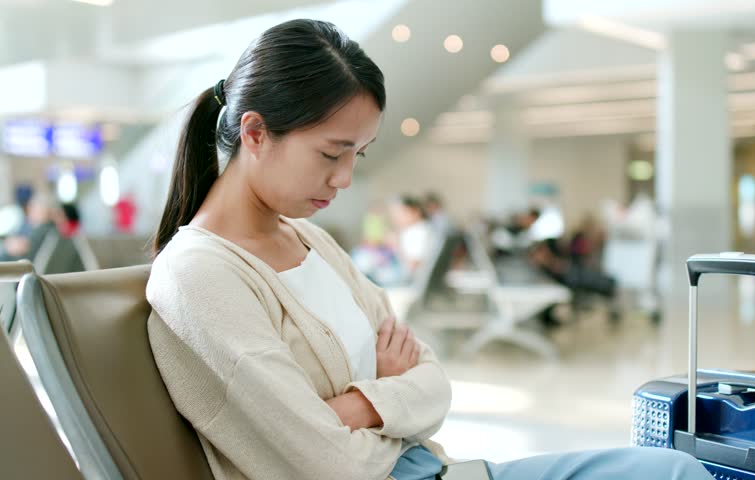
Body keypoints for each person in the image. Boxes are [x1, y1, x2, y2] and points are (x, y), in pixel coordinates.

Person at [146, 19, 712, 480]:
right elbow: (324, 465)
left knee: (675, 469)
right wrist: (391, 394)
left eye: (359, 156)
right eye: (331, 153)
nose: (344, 178)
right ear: (255, 133)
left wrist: (358, 406)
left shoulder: (309, 239)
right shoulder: (199, 275)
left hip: (443, 470)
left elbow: (435, 382)